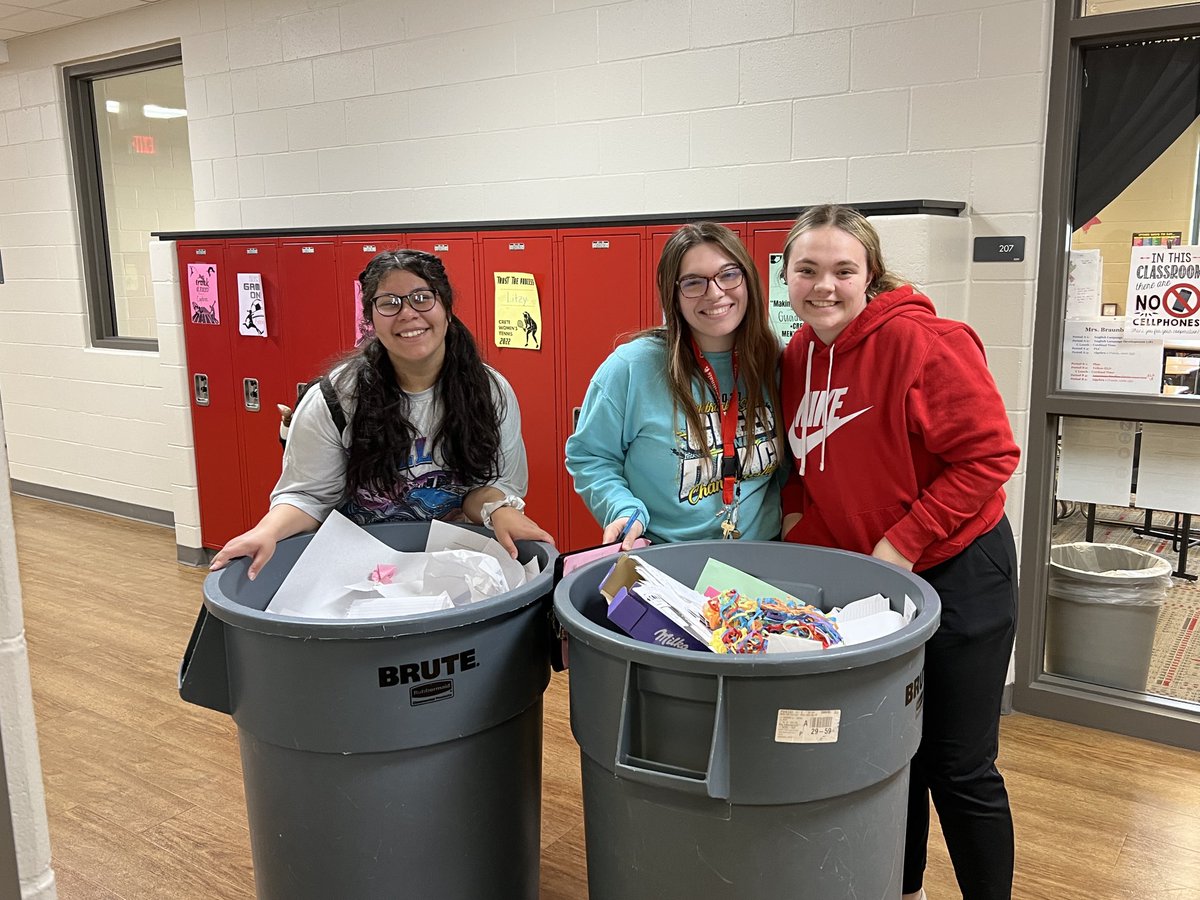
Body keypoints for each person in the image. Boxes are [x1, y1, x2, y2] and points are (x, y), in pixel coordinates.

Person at [778, 205, 1019, 900]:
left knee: (958, 764)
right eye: (808, 270)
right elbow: (803, 467)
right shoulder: (798, 355)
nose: (824, 286)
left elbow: (989, 457)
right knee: (892, 756)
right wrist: (805, 539)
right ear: (786, 277)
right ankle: (901, 890)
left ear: (869, 276)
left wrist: (900, 542)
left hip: (959, 568)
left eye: (843, 270)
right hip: (871, 583)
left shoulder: (925, 341)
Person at [212, 249, 553, 579]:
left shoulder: (489, 391)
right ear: (371, 319)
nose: (407, 313)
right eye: (389, 303)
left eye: (422, 297)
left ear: (447, 310)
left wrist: (500, 510)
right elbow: (307, 497)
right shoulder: (337, 398)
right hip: (358, 569)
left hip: (453, 564)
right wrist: (266, 531)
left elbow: (492, 485)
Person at [566, 222, 784, 549]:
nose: (715, 293)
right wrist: (621, 507)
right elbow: (589, 457)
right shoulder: (632, 368)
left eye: (728, 274)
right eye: (694, 283)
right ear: (674, 295)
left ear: (748, 280)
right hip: (666, 563)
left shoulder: (773, 362)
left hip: (760, 559)